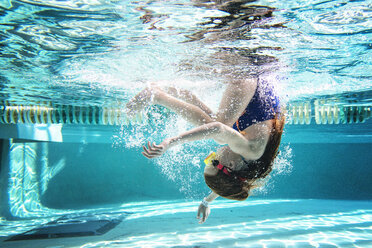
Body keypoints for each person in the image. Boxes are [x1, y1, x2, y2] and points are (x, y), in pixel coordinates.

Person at [126, 77, 285, 224]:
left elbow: (230, 181)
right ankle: (156, 96)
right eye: (213, 161)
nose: (213, 154)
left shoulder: (247, 166)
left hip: (254, 82)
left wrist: (207, 201)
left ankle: (175, 92)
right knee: (218, 133)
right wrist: (171, 142)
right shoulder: (250, 150)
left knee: (214, 126)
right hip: (247, 78)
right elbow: (217, 129)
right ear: (230, 164)